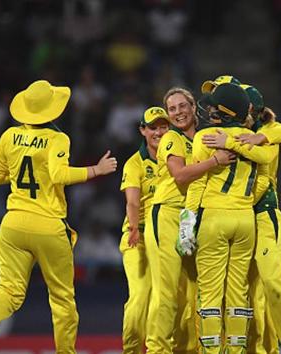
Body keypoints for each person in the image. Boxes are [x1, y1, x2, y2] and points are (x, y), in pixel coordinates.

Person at [0, 80, 117, 354]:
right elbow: (58, 175)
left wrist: (21, 169)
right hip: (47, 225)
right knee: (62, 298)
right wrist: (96, 169)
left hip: (13, 223)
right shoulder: (58, 138)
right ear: (52, 111)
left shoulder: (9, 136)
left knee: (9, 291)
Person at [202, 83, 281, 354]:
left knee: (272, 285)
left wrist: (236, 199)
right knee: (244, 293)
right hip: (238, 219)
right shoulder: (228, 132)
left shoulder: (267, 134)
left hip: (262, 215)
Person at [178, 82, 271, 354]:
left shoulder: (205, 137)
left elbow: (196, 182)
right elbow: (264, 172)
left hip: (214, 219)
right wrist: (243, 203)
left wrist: (188, 220)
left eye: (213, 107)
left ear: (223, 111)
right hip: (245, 220)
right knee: (238, 291)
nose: (209, 110)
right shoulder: (254, 137)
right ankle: (237, 351)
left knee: (209, 293)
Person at [143, 87, 236, 353]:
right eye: (172, 109)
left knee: (196, 295)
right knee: (167, 293)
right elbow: (181, 175)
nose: (178, 113)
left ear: (194, 106)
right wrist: (215, 161)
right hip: (168, 215)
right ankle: (158, 350)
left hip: (195, 217)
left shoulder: (205, 137)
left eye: (182, 106)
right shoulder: (171, 138)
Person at [119, 106, 170, 353]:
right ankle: (130, 350)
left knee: (162, 298)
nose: (159, 132)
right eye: (153, 127)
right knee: (140, 296)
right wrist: (133, 228)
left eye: (163, 126)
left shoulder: (176, 157)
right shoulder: (135, 163)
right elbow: (132, 201)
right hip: (136, 236)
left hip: (166, 237)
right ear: (142, 130)